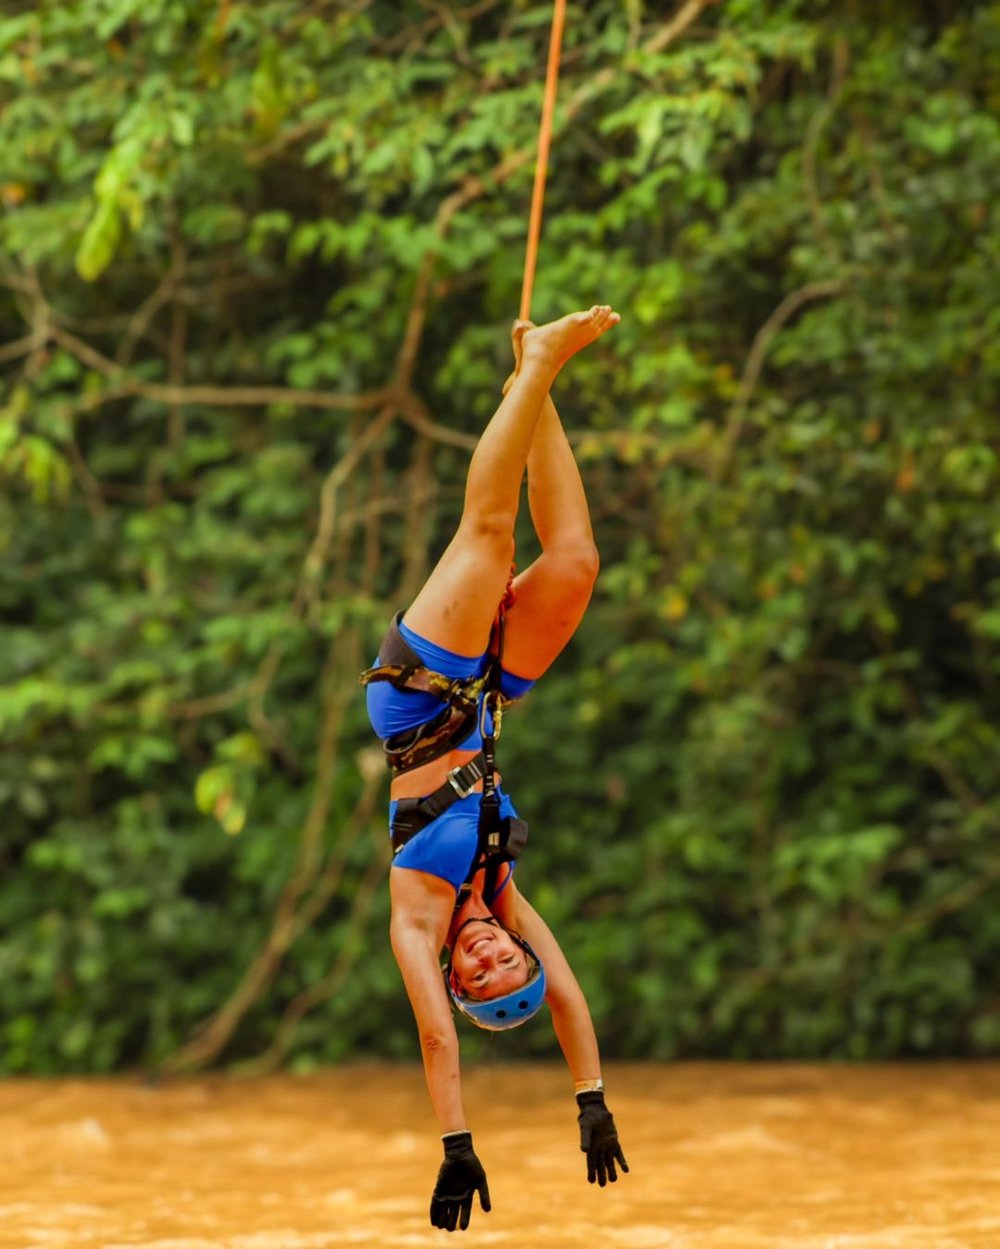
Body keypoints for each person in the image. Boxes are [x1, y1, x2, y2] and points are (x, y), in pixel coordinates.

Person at [361, 306, 629, 1232]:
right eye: (505, 957)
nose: (489, 953)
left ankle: (535, 365)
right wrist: (589, 1095)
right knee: (578, 562)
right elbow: (568, 993)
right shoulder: (504, 894)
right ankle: (537, 370)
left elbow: (438, 1038)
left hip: (420, 695)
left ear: (461, 975)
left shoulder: (417, 918)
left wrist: (457, 1145)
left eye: (479, 971)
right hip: (483, 691)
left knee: (489, 537)